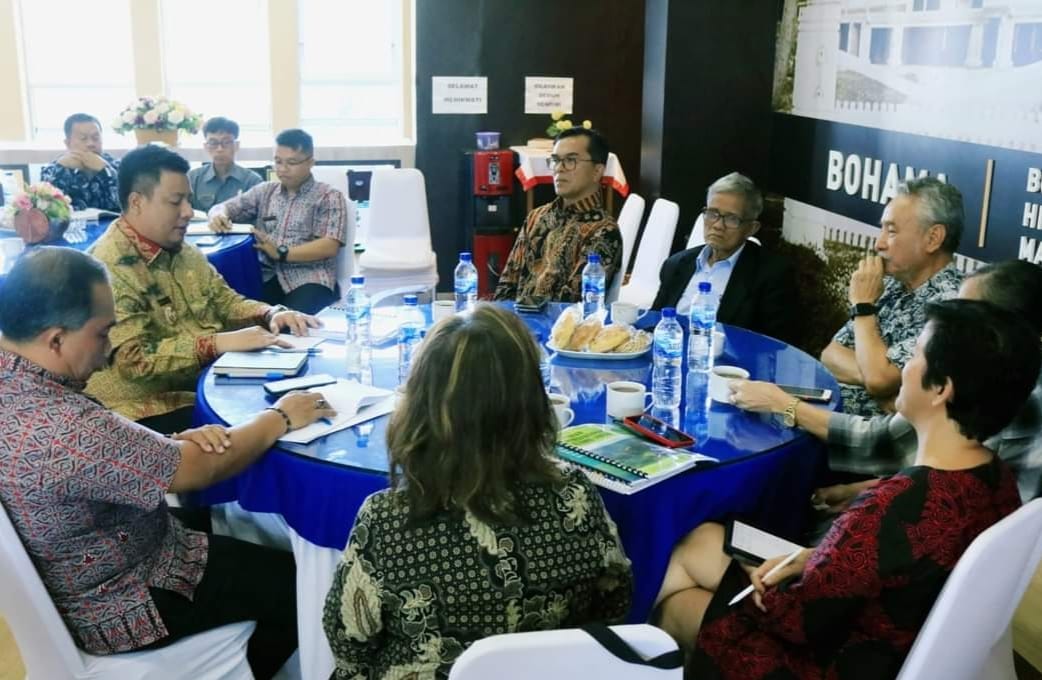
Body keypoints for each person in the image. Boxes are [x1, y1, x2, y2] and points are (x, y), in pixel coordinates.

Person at [654, 299, 1037, 679]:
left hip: (828, 660)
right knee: (703, 540)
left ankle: (614, 649)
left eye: (916, 355)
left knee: (678, 602)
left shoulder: (895, 507)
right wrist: (812, 557)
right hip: (890, 643)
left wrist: (773, 580)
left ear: (940, 389)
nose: (903, 367)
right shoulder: (997, 480)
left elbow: (798, 620)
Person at [0, 247, 337, 679]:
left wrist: (164, 444)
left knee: (239, 538)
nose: (106, 353)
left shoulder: (21, 386)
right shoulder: (64, 428)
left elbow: (104, 460)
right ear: (56, 339)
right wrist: (283, 416)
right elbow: (200, 469)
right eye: (102, 334)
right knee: (301, 587)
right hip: (127, 600)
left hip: (77, 577)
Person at [322, 304, 633, 679]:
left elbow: (349, 645)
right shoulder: (575, 495)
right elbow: (615, 602)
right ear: (532, 402)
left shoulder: (387, 519)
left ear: (421, 406)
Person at [728, 259, 1042, 502]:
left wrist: (782, 404)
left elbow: (885, 436)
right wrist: (868, 489)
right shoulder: (1012, 374)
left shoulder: (1000, 391)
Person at [85, 144, 317, 435]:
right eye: (175, 201)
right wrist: (219, 342)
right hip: (144, 411)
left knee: (302, 397)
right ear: (137, 202)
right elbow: (136, 360)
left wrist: (269, 313)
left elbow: (222, 300)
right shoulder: (108, 267)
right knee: (276, 427)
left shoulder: (181, 249)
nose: (188, 212)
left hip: (201, 385)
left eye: (189, 200)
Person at [821, 177, 964, 417]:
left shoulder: (952, 305)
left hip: (881, 447)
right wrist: (875, 380)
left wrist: (864, 307)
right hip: (837, 423)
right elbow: (829, 355)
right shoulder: (888, 285)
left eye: (892, 231)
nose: (879, 244)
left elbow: (879, 378)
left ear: (933, 238)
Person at [208, 128, 347, 314]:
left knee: (291, 325)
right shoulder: (265, 191)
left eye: (292, 162)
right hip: (266, 277)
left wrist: (282, 253)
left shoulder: (328, 196)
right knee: (238, 317)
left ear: (311, 162)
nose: (282, 169)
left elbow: (329, 245)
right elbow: (224, 207)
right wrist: (218, 214)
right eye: (278, 161)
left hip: (310, 279)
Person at [651, 172, 797, 343]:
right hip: (669, 357)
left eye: (731, 219)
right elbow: (655, 322)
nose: (718, 225)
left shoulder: (771, 275)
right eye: (712, 214)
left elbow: (776, 345)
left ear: (751, 228)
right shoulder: (677, 264)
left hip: (728, 365)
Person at [493, 127, 622, 303]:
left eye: (570, 160)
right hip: (516, 323)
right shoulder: (537, 217)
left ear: (597, 171)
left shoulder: (604, 231)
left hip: (559, 328)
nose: (559, 169)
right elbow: (507, 284)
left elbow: (572, 305)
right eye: (555, 160)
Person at [40, 113, 121, 212]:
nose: (90, 144)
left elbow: (124, 204)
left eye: (95, 138)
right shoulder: (52, 169)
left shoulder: (117, 167)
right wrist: (61, 169)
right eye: (83, 138)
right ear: (68, 143)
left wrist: (105, 170)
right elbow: (47, 208)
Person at [187, 116, 262, 211]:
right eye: (213, 143)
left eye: (226, 142)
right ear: (206, 147)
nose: (220, 149)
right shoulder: (193, 179)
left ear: (236, 146)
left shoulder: (252, 181)